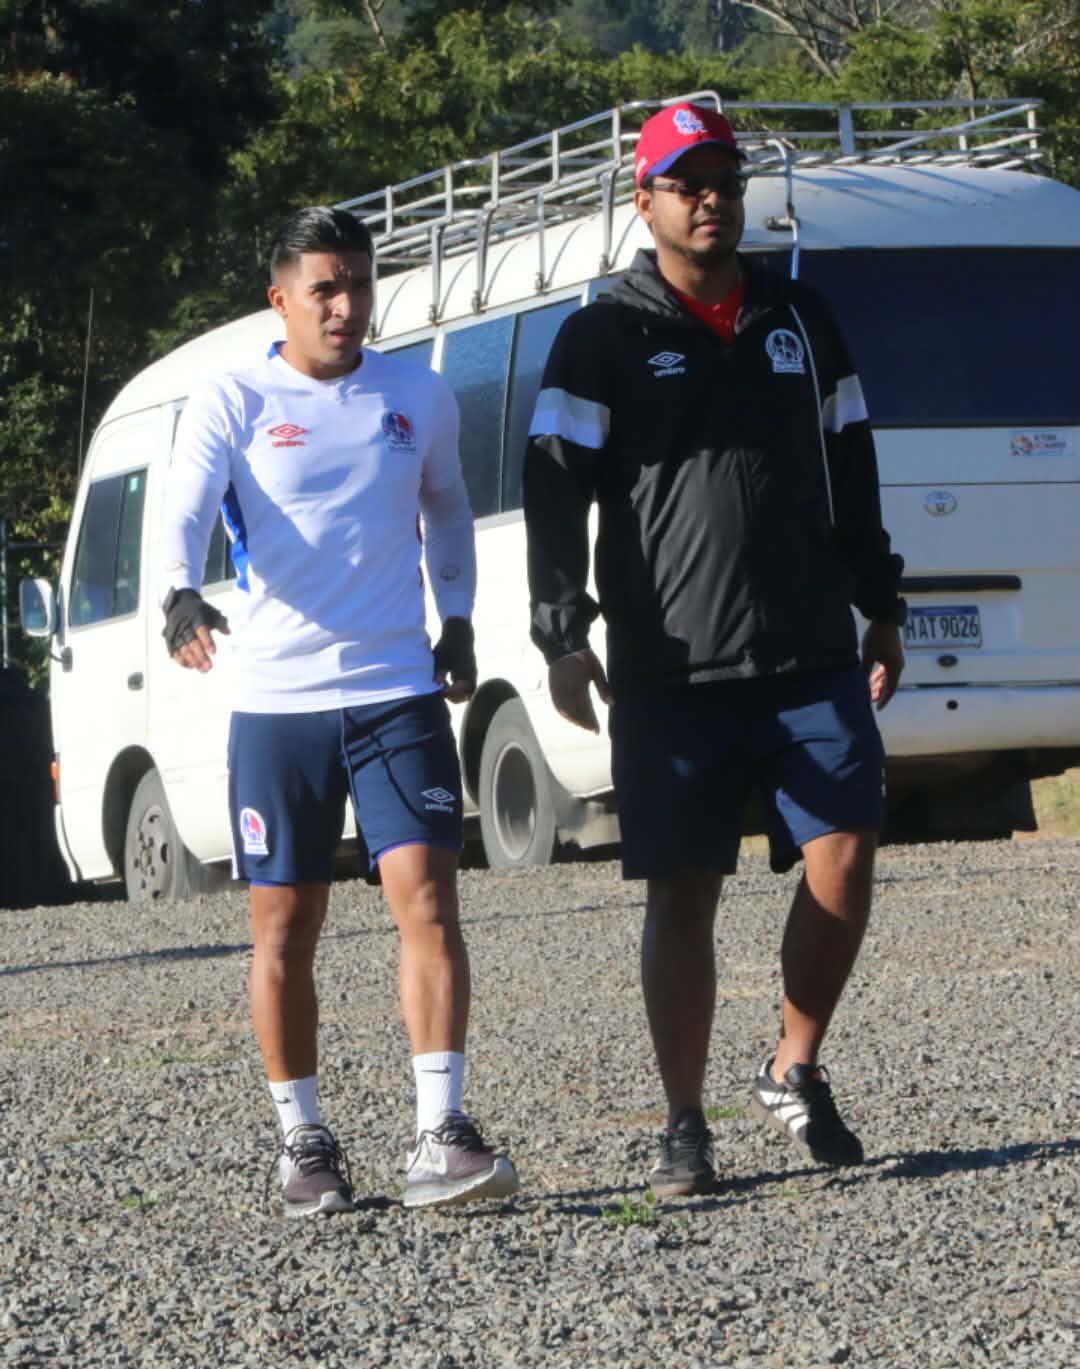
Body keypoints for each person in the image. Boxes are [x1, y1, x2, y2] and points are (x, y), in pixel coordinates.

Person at [524, 103, 906, 1198]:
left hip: (808, 653)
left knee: (847, 850)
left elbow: (853, 462)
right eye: (687, 181)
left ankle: (793, 1064)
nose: (711, 197)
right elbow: (552, 492)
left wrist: (880, 600)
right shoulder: (603, 336)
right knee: (683, 894)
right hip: (672, 669)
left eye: (725, 179)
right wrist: (562, 630)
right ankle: (684, 1123)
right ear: (643, 202)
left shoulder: (800, 315)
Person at [158, 205, 518, 1216]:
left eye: (359, 283)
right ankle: (303, 1141)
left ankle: (440, 1133)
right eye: (325, 287)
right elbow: (184, 508)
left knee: (430, 898)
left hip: (395, 687)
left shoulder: (419, 393)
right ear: (282, 300)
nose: (347, 305)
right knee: (285, 923)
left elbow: (446, 507)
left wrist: (457, 620)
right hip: (279, 702)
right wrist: (178, 594)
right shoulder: (231, 395)